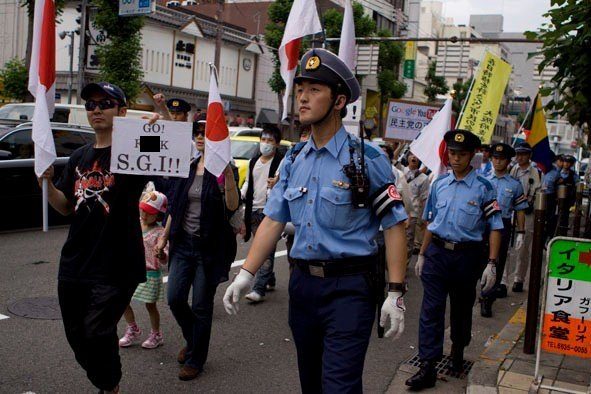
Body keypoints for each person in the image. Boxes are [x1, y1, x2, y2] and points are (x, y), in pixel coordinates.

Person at [223, 48, 409, 393]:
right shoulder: (293, 159)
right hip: (304, 286)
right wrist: (246, 273)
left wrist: (396, 291)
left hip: (350, 288)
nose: (303, 98)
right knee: (310, 381)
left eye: (314, 90)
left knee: (339, 385)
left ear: (339, 101)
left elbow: (394, 224)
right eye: (300, 90)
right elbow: (273, 220)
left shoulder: (365, 158)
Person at [37, 82, 148, 393]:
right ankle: (106, 380)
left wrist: (159, 127)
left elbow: (176, 155)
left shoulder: (134, 151)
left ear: (122, 111)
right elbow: (65, 208)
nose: (96, 109)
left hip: (118, 262)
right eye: (90, 104)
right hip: (76, 261)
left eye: (105, 103)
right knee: (76, 334)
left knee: (97, 330)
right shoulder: (79, 157)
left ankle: (109, 385)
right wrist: (45, 185)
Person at [407, 129, 503, 391]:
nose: (456, 158)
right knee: (431, 310)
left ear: (471, 156)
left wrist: (492, 263)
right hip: (438, 253)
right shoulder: (439, 184)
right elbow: (431, 222)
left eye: (461, 154)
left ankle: (458, 350)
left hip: (467, 256)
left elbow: (495, 226)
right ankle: (427, 365)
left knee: (461, 308)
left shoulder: (485, 188)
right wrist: (423, 254)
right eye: (452, 153)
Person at [157, 122, 240, 381]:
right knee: (174, 298)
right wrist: (163, 237)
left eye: (206, 134)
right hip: (183, 245)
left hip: (210, 248)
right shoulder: (188, 167)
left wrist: (227, 176)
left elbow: (232, 206)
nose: (200, 138)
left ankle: (196, 359)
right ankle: (194, 340)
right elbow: (176, 206)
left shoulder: (225, 170)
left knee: (202, 306)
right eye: (197, 134)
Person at [479, 143, 528, 317]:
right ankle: (479, 290)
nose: (498, 162)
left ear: (508, 161)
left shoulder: (514, 185)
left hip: (502, 225)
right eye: (495, 158)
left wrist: (521, 232)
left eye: (502, 159)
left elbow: (520, 208)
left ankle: (487, 299)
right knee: (477, 261)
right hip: (481, 224)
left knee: (496, 263)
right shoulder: (481, 179)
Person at [119, 191, 169, 349]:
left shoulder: (160, 233)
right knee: (122, 300)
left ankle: (156, 334)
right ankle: (132, 328)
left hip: (150, 273)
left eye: (150, 212)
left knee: (150, 305)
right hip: (130, 270)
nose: (144, 214)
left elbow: (164, 258)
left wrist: (161, 253)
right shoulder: (134, 224)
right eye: (143, 209)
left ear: (159, 215)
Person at [241, 125, 285, 302]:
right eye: (263, 140)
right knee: (262, 249)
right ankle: (270, 277)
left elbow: (286, 182)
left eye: (270, 141)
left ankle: (258, 289)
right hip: (253, 211)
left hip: (270, 211)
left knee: (266, 251)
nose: (265, 144)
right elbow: (248, 183)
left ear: (276, 144)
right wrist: (242, 197)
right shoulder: (254, 161)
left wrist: (278, 182)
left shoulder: (281, 162)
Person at [505, 142, 542, 292]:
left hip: (527, 214)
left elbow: (540, 194)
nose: (520, 157)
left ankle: (519, 279)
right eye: (518, 154)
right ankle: (503, 280)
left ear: (529, 156)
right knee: (506, 246)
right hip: (511, 212)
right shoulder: (511, 170)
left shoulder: (537, 173)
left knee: (523, 249)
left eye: (523, 154)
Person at [404, 153, 429, 258]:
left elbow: (424, 198)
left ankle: (404, 266)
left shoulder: (423, 178)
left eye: (416, 155)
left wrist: (423, 218)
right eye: (411, 155)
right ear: (407, 158)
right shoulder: (400, 171)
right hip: (397, 211)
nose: (414, 157)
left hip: (412, 214)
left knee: (408, 241)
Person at [542, 153, 561, 242]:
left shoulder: (556, 173)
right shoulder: (535, 169)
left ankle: (547, 239)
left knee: (550, 221)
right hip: (536, 198)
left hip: (550, 199)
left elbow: (559, 187)